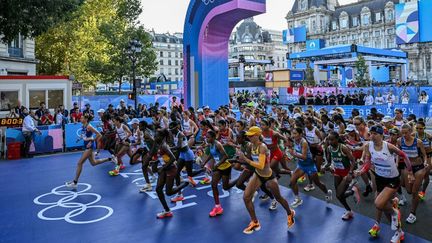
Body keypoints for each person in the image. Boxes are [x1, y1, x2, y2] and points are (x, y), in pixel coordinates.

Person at [355, 125, 414, 242]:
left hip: (392, 179)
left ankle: (394, 211)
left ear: (381, 135)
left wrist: (410, 172)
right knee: (383, 206)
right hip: (380, 178)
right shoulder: (368, 146)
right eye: (370, 133)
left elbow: (404, 156)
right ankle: (399, 232)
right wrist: (361, 170)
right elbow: (367, 163)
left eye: (375, 134)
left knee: (378, 203)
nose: (372, 136)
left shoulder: (389, 147)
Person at [237, 126, 295, 234]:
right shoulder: (250, 145)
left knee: (279, 198)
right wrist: (240, 158)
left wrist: (244, 159)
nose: (248, 137)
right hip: (258, 175)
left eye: (251, 135)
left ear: (257, 136)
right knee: (246, 197)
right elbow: (249, 160)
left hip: (268, 176)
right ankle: (255, 222)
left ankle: (290, 212)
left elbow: (260, 165)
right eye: (248, 135)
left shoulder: (262, 147)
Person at [142, 129, 189, 219]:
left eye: (157, 135)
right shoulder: (158, 144)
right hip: (165, 169)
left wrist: (162, 167)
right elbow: (154, 154)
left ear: (162, 137)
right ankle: (167, 210)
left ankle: (184, 184)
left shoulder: (164, 146)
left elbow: (173, 158)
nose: (155, 136)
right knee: (158, 190)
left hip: (171, 169)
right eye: (155, 134)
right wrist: (153, 162)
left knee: (169, 192)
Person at [288, 127, 333, 208]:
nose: (293, 135)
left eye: (295, 133)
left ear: (300, 134)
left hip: (309, 165)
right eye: (292, 133)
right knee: (292, 182)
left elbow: (304, 157)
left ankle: (327, 193)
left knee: (317, 183)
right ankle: (298, 199)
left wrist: (293, 154)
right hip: (301, 165)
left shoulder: (303, 142)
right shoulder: (294, 140)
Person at [65, 114, 112, 188]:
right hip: (87, 145)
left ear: (86, 119)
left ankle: (75, 182)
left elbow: (99, 134)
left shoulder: (89, 126)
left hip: (90, 147)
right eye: (80, 118)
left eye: (82, 118)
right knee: (94, 163)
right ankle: (110, 158)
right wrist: (80, 138)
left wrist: (91, 140)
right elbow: (84, 134)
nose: (80, 119)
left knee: (79, 163)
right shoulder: (83, 126)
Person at [324, 132, 359, 220]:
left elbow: (353, 161)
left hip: (346, 173)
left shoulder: (343, 148)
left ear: (337, 139)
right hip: (337, 172)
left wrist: (350, 173)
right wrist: (325, 167)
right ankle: (352, 192)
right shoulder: (329, 148)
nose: (330, 141)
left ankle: (349, 211)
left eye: (332, 139)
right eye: (328, 139)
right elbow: (328, 162)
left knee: (339, 195)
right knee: (340, 195)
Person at [397, 124, 427, 224]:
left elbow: (424, 154)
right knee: (409, 191)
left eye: (406, 133)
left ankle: (412, 214)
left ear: (410, 132)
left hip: (419, 168)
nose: (404, 135)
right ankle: (418, 186)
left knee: (414, 192)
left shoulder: (418, 142)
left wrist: (426, 162)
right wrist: (397, 163)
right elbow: (399, 154)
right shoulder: (399, 141)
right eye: (403, 132)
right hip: (408, 168)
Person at [201, 130, 232, 217]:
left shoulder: (218, 144)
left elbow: (226, 156)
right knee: (213, 185)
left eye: (208, 137)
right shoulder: (211, 144)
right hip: (218, 168)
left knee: (226, 187)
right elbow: (212, 154)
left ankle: (237, 182)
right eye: (206, 137)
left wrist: (217, 164)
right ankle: (218, 206)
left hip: (225, 167)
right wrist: (205, 162)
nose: (206, 139)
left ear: (213, 138)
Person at [415, 121, 432, 201]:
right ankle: (417, 190)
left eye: (420, 128)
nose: (418, 130)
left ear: (424, 128)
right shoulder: (413, 135)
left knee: (426, 175)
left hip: (428, 157)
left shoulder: (428, 136)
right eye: (417, 128)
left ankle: (423, 192)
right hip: (418, 158)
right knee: (418, 176)